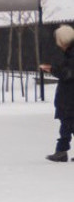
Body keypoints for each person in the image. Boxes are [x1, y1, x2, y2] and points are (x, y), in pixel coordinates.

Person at [40, 25, 74, 162]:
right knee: (67, 123)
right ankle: (61, 150)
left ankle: (61, 151)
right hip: (69, 98)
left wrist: (53, 70)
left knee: (67, 123)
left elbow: (68, 74)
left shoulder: (71, 55)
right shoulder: (70, 54)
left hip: (70, 98)